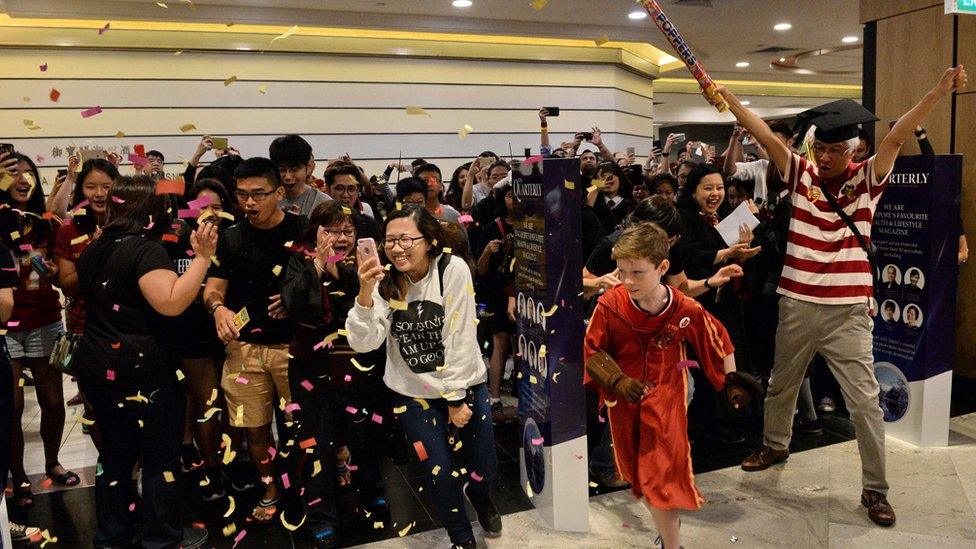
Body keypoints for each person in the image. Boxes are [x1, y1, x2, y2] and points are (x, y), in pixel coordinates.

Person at [712, 64, 967, 527]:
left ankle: (875, 489)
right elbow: (768, 139)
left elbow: (896, 137)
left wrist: (936, 90)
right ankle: (774, 444)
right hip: (795, 302)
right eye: (821, 149)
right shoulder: (801, 174)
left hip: (847, 311)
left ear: (851, 151)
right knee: (782, 382)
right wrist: (729, 98)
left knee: (866, 402)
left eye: (834, 150)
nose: (826, 158)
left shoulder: (867, 180)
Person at [583, 222, 759, 549]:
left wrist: (732, 382)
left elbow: (718, 340)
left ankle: (671, 543)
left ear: (663, 267)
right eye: (621, 272)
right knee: (640, 478)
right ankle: (667, 531)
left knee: (660, 477)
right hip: (624, 403)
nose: (626, 281)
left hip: (666, 399)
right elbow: (592, 350)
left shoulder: (684, 308)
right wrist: (618, 380)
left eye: (637, 272)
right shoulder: (610, 305)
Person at [346, 206, 501, 549]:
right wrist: (365, 293)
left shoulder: (452, 269)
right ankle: (461, 538)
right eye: (389, 241)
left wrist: (456, 398)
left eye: (405, 239)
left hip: (465, 386)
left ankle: (480, 495)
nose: (396, 248)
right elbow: (364, 342)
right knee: (439, 470)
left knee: (484, 466)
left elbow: (460, 336)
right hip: (412, 393)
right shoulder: (386, 279)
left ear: (429, 241)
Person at [74, 175, 214, 549]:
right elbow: (170, 302)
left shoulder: (95, 246)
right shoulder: (145, 250)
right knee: (158, 458)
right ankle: (161, 538)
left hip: (99, 363)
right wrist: (202, 258)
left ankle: (113, 534)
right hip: (143, 368)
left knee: (115, 457)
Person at [203, 157, 307, 522]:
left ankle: (307, 484)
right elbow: (214, 289)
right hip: (244, 349)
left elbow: (327, 281)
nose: (249, 203)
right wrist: (218, 309)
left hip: (293, 348)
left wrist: (298, 295)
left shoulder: (304, 230)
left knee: (302, 426)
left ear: (279, 192)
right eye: (242, 195)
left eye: (259, 194)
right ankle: (269, 488)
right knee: (254, 429)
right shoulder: (231, 237)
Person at [0, 152, 78, 509]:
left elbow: (60, 214)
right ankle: (17, 476)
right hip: (5, 329)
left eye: (28, 173)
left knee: (51, 400)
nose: (22, 179)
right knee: (12, 406)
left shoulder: (41, 222)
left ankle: (51, 462)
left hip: (45, 321)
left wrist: (48, 271)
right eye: (12, 172)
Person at [169, 179, 235, 499]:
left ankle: (233, 463)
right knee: (206, 404)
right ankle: (212, 470)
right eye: (202, 206)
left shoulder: (234, 239)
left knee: (232, 406)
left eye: (218, 206)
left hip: (232, 334)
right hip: (191, 337)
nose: (210, 213)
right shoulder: (174, 240)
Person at [54, 157, 121, 445]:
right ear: (81, 190)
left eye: (106, 186)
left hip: (126, 327)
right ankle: (109, 462)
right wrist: (92, 252)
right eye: (91, 186)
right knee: (94, 404)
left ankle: (137, 465)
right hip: (86, 329)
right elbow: (68, 286)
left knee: (128, 401)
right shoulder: (69, 231)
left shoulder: (129, 226)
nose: (99, 193)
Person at [474, 182, 517, 421]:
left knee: (522, 346)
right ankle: (495, 398)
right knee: (499, 343)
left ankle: (525, 392)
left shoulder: (531, 226)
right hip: (496, 295)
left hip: (525, 294)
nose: (514, 201)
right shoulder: (492, 228)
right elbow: (480, 270)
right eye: (510, 196)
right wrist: (487, 252)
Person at [270, 134, 331, 218]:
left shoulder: (323, 203)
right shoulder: (266, 200)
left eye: (294, 170)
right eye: (282, 170)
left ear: (308, 168)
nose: (288, 177)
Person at [587, 161, 634, 233]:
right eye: (603, 176)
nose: (607, 179)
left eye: (611, 175)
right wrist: (596, 188)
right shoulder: (593, 203)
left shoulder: (631, 205)